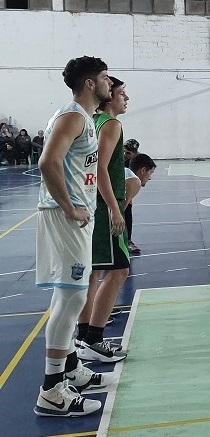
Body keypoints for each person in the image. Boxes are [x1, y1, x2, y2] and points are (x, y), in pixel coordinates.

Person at [34, 56, 114, 418]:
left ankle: (69, 370)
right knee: (70, 298)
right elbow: (48, 162)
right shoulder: (73, 117)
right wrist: (69, 208)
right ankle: (52, 391)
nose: (109, 84)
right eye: (104, 79)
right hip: (66, 218)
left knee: (65, 296)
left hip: (76, 216)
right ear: (88, 84)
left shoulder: (80, 118)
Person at [76, 77, 130, 364]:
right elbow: (101, 168)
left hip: (94, 204)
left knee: (94, 272)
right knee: (119, 270)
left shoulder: (95, 121)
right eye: (121, 93)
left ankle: (84, 336)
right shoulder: (110, 124)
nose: (125, 98)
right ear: (109, 97)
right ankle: (93, 338)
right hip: (104, 205)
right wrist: (114, 207)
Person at [122, 138, 141, 254]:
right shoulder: (118, 157)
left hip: (127, 185)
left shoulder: (136, 162)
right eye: (124, 151)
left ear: (134, 154)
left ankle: (128, 240)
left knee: (128, 209)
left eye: (128, 153)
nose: (125, 154)